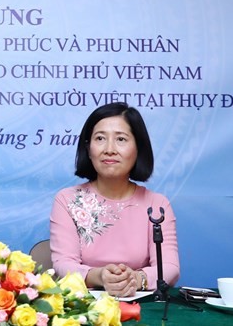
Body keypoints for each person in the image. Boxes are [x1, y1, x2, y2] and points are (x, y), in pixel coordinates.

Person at [50, 102, 179, 297]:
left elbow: (169, 267)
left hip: (141, 306)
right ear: (88, 147)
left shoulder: (157, 205)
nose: (109, 149)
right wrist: (99, 276)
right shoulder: (67, 200)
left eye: (121, 139)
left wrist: (135, 280)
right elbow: (63, 265)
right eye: (100, 138)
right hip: (85, 309)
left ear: (138, 148)